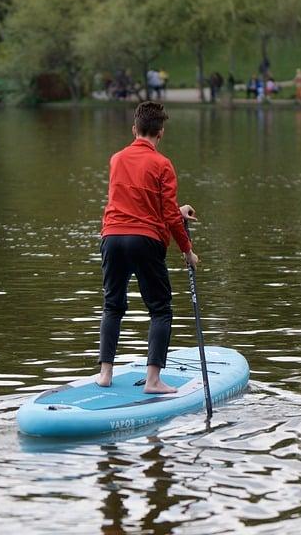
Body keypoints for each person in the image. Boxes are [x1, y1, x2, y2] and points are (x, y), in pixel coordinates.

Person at [98, 101, 199, 394]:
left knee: (112, 305)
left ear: (134, 129)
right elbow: (165, 215)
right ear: (161, 133)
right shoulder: (162, 164)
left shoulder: (117, 159)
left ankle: (105, 374)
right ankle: (153, 381)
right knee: (160, 309)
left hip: (113, 237)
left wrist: (177, 211)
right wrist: (187, 250)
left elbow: (135, 202)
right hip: (145, 240)